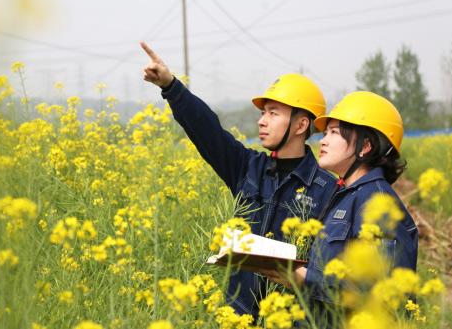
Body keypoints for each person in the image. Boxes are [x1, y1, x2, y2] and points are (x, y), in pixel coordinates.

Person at [139, 41, 336, 318]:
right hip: (239, 316)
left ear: (301, 125)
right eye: (262, 113)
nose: (261, 121)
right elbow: (208, 132)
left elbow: (331, 272)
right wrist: (171, 87)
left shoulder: (328, 191)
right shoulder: (248, 168)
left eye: (273, 113)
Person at [278, 91, 418, 326]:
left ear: (365, 146)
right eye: (324, 133)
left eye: (334, 132)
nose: (323, 140)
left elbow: (377, 294)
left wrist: (302, 277)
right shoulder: (345, 196)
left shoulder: (378, 205)